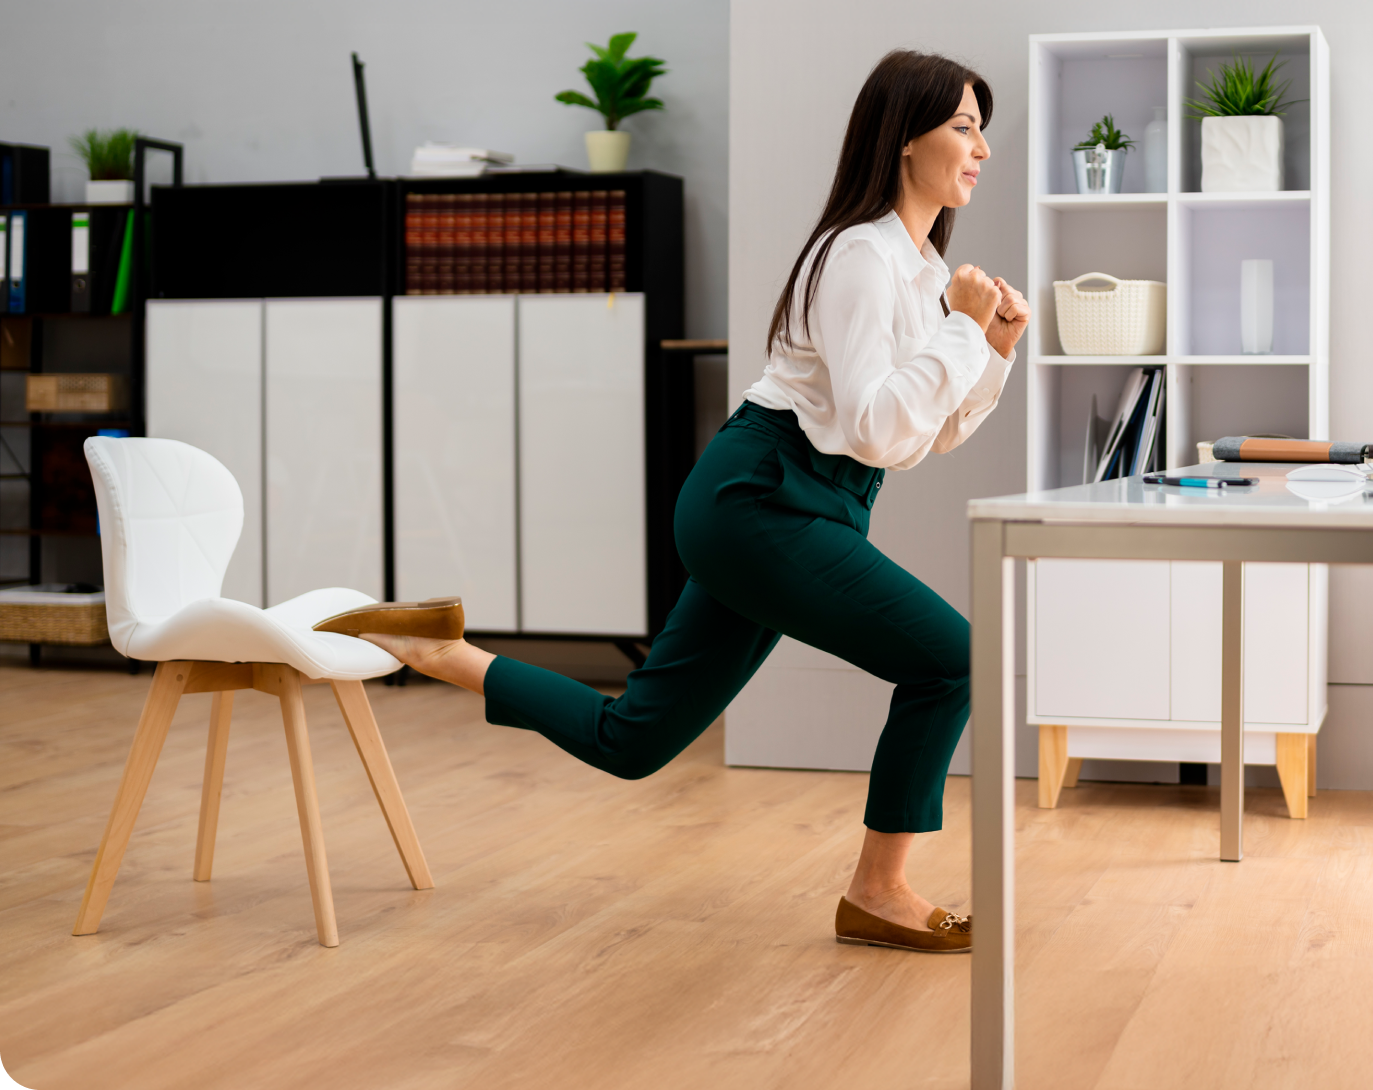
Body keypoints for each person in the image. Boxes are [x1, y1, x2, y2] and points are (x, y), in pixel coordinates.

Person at [317, 49, 1028, 954]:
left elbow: (920, 438)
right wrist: (965, 332)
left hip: (812, 504)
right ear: (902, 141)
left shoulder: (925, 270)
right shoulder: (858, 255)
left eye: (981, 127)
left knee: (635, 739)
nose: (983, 148)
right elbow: (878, 426)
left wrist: (990, 349)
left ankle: (438, 649)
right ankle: (878, 891)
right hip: (761, 498)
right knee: (953, 660)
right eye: (965, 125)